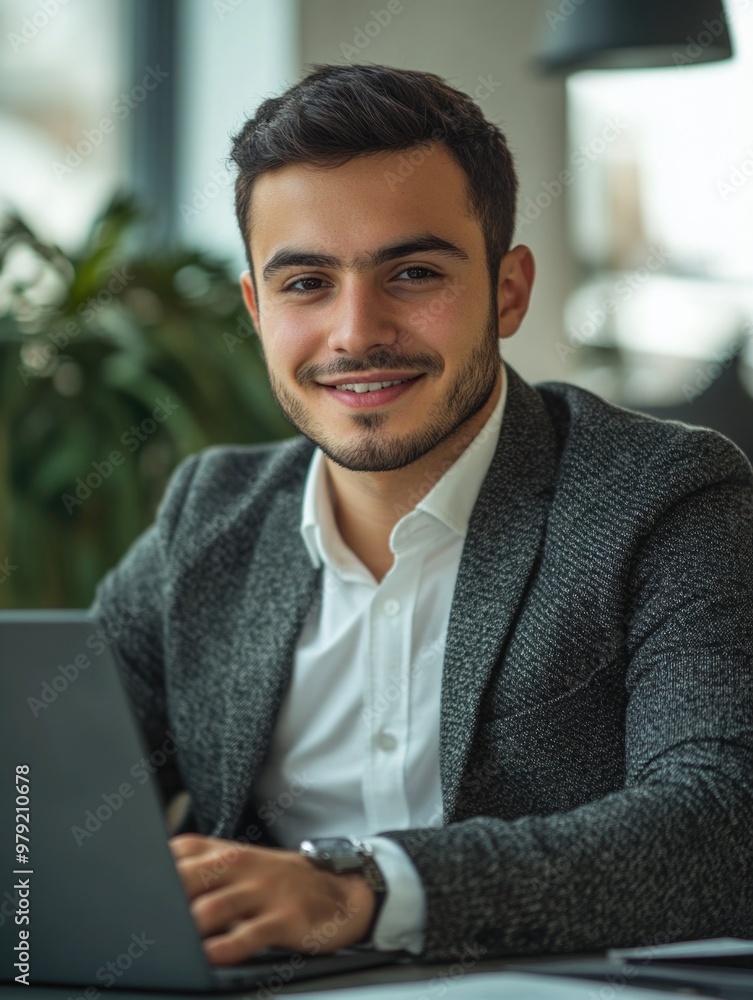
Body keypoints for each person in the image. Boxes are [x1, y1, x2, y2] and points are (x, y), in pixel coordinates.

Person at [90, 63, 753, 966]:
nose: (355, 332)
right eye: (305, 284)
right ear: (255, 308)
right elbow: (48, 782)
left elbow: (718, 827)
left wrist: (357, 892)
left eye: (411, 273)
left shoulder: (664, 497)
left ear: (507, 291)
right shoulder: (210, 516)